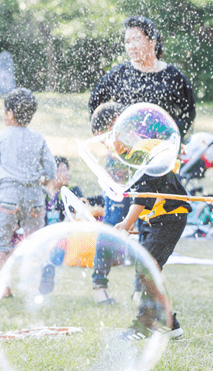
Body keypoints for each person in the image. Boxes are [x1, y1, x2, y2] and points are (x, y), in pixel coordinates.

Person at [88, 16, 196, 302]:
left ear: (152, 40)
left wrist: (176, 143)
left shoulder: (172, 76)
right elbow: (96, 107)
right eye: (126, 40)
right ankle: (100, 284)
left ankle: (140, 289)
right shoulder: (118, 74)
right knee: (115, 217)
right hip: (121, 162)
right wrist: (110, 140)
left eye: (136, 38)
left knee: (150, 218)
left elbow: (187, 114)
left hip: (158, 161)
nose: (131, 45)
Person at [115, 156, 191, 340]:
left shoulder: (144, 154)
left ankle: (145, 325)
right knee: (147, 268)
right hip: (155, 218)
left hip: (169, 217)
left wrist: (126, 223)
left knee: (147, 267)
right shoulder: (139, 156)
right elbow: (143, 193)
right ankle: (169, 324)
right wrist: (133, 220)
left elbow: (144, 194)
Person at [0, 88, 56, 281]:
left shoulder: (2, 136)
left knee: (0, 240)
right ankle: (43, 268)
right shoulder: (38, 137)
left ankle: (4, 285)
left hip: (9, 195)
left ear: (10, 113)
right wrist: (47, 179)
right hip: (34, 196)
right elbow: (51, 167)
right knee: (35, 238)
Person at [88, 102, 131, 304]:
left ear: (115, 122)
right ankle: (99, 286)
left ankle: (142, 290)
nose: (106, 145)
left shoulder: (135, 130)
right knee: (109, 231)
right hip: (117, 185)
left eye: (105, 139)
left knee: (147, 235)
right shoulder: (116, 158)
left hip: (140, 184)